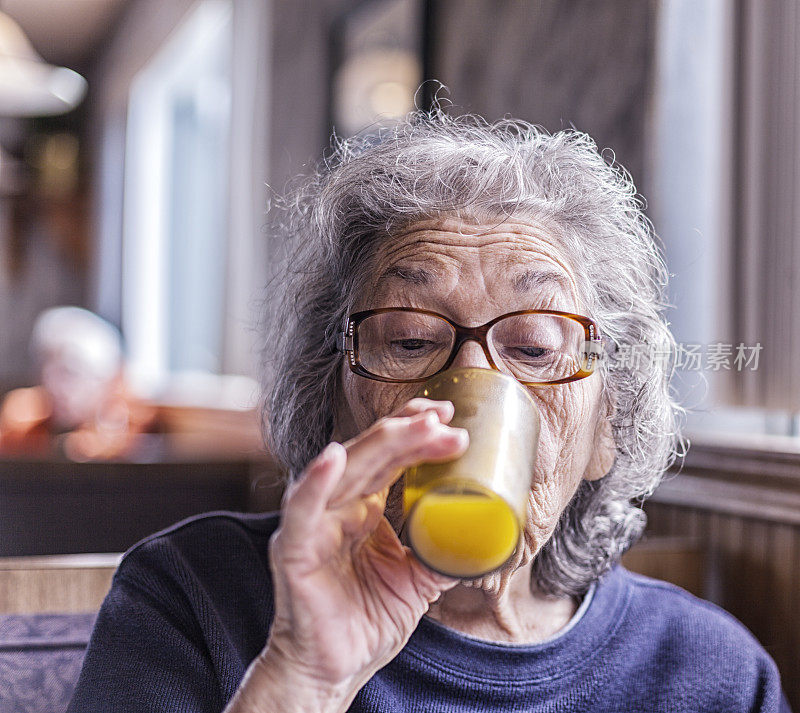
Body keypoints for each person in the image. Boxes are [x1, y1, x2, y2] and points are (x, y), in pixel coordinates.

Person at [67, 110, 791, 712]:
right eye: (411, 338)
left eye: (535, 346)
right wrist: (301, 677)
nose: (471, 378)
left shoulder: (710, 674)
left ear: (608, 426)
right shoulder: (196, 596)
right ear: (331, 400)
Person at [0, 306, 159, 460]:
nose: (54, 387)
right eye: (47, 373)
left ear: (105, 380)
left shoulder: (133, 429)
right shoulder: (25, 422)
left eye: (68, 374)